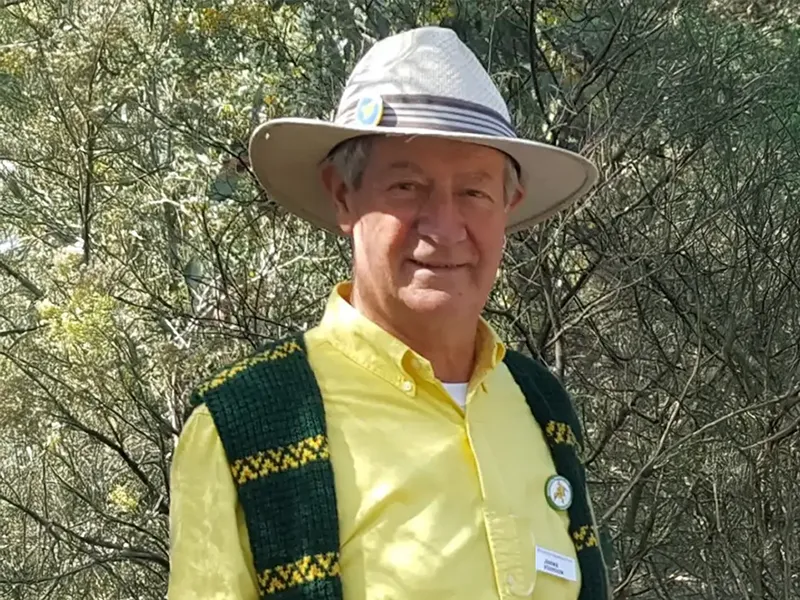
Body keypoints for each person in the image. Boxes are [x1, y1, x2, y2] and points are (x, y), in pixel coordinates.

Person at [167, 26, 609, 600]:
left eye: (474, 192)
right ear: (342, 195)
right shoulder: (246, 424)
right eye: (406, 186)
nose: (444, 227)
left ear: (508, 205)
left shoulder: (540, 404)